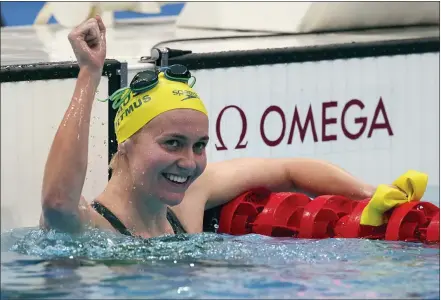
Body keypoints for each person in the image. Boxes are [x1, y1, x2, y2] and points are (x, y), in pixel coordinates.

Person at [40, 16, 377, 239]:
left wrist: (368, 194)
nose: (189, 162)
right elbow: (56, 202)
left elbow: (289, 169)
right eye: (172, 143)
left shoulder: (188, 200)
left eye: (199, 145)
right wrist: (89, 73)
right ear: (125, 143)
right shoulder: (91, 226)